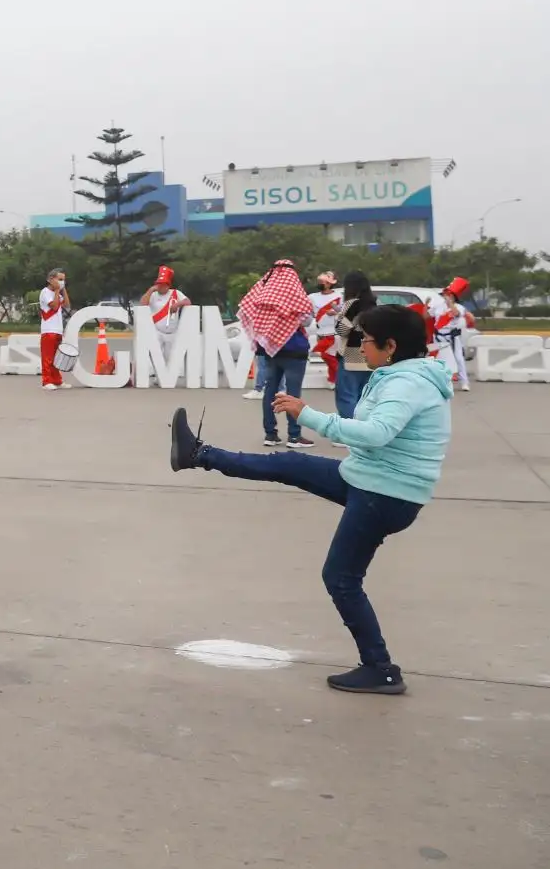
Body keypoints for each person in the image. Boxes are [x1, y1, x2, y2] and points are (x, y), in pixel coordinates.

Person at [168, 304, 452, 694]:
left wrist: (308, 415)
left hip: (385, 495)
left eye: (365, 341)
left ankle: (381, 668)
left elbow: (376, 433)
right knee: (289, 464)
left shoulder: (408, 384)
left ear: (391, 345)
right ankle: (197, 455)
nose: (360, 347)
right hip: (369, 480)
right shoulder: (399, 374)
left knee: (341, 578)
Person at [238, 259, 316, 448]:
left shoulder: (262, 291)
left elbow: (250, 313)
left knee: (270, 391)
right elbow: (306, 320)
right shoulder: (294, 292)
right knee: (293, 393)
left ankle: (270, 434)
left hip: (270, 350)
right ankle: (294, 436)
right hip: (294, 351)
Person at [332, 272, 379, 426]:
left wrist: (339, 316)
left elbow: (341, 330)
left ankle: (347, 430)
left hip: (351, 356)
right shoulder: (374, 305)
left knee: (346, 395)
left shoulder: (351, 305)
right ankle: (362, 429)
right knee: (363, 397)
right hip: (371, 355)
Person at [139, 265, 191, 378]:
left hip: (172, 331)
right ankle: (157, 373)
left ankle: (167, 376)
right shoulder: (153, 295)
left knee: (170, 356)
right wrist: (151, 290)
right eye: (159, 284)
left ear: (168, 285)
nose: (161, 286)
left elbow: (188, 301)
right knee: (155, 354)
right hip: (157, 330)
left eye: (163, 284)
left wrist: (178, 304)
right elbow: (143, 304)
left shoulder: (175, 293)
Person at [427, 277, 474, 393]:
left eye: (447, 294)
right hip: (439, 337)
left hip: (453, 338)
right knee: (439, 361)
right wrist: (425, 305)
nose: (445, 296)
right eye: (444, 294)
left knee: (458, 359)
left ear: (453, 296)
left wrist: (450, 304)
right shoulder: (438, 306)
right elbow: (426, 316)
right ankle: (439, 383)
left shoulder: (459, 307)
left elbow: (456, 314)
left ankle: (464, 383)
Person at [309, 271, 344, 385]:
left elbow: (344, 311)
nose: (319, 283)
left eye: (321, 282)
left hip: (334, 332)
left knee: (325, 354)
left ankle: (340, 377)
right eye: (318, 282)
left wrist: (335, 312)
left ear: (329, 284)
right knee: (328, 355)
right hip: (319, 331)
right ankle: (333, 380)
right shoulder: (312, 297)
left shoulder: (339, 296)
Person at [38, 268, 71, 390]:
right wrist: (57, 290)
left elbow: (67, 304)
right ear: (50, 280)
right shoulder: (45, 292)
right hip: (48, 330)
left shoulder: (58, 293)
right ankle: (47, 381)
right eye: (59, 279)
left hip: (58, 330)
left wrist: (63, 289)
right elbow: (54, 305)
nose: (62, 282)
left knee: (57, 358)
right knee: (47, 357)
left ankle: (57, 380)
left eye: (63, 280)